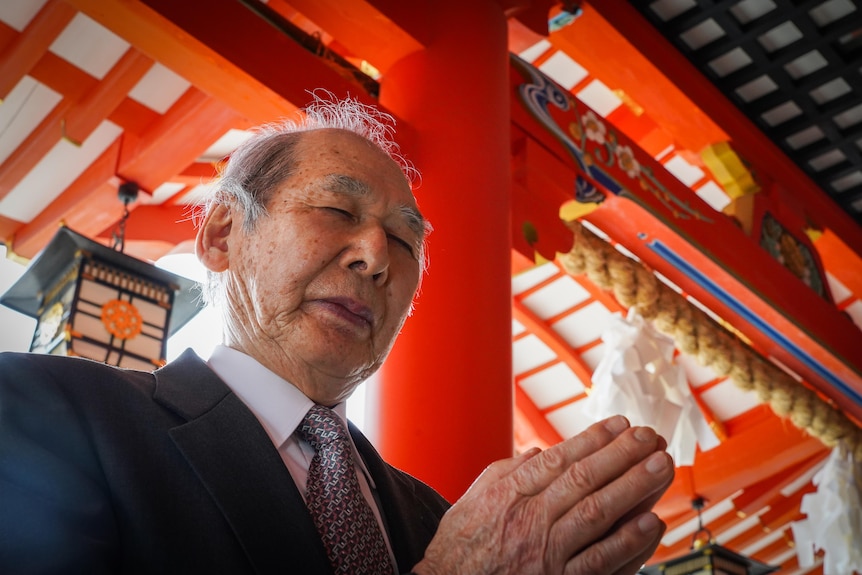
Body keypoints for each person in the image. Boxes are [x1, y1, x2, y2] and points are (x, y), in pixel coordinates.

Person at [0, 93, 674, 575]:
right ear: (222, 234)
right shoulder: (52, 410)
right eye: (335, 207)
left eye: (407, 240)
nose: (377, 256)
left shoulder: (446, 519)